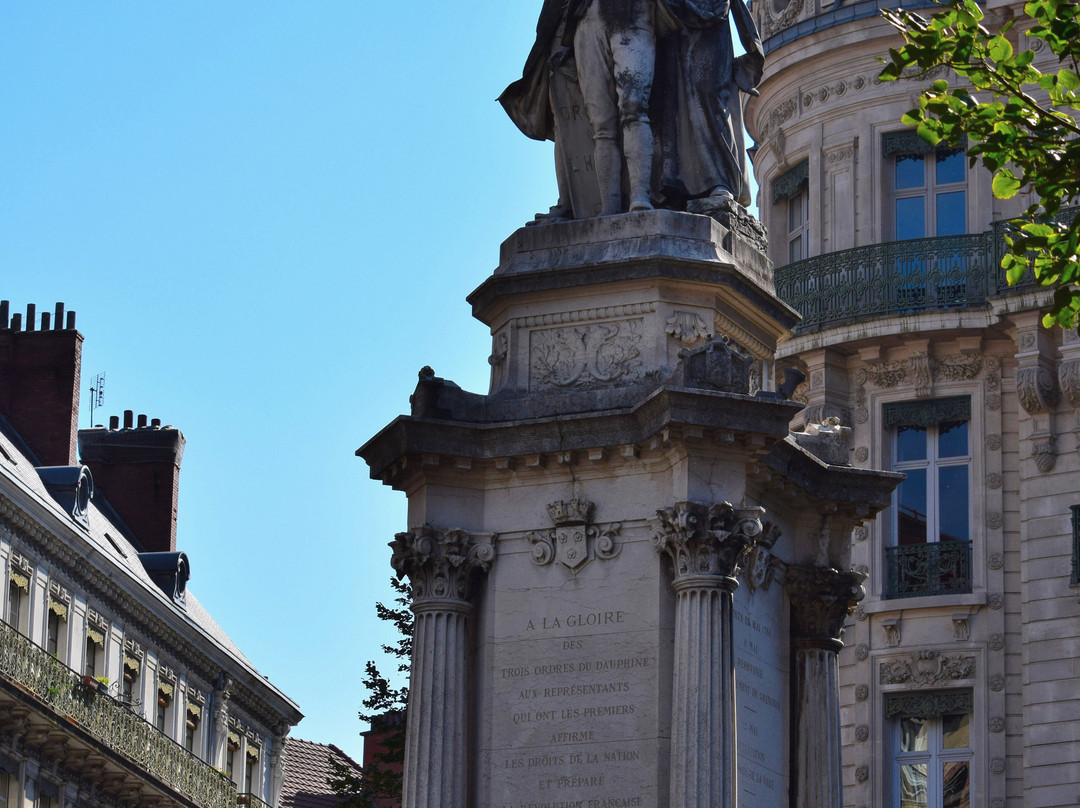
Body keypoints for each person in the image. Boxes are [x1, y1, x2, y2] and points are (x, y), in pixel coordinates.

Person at [653, 0, 764, 208]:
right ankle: (677, 184)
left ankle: (722, 179)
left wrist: (752, 50)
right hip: (674, 20)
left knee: (709, 96)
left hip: (713, 16)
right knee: (674, 102)